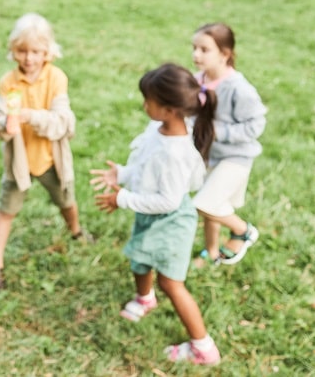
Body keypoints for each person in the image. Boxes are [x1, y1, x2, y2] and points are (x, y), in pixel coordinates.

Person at [90, 62, 221, 365]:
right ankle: (144, 298)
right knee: (140, 260)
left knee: (171, 283)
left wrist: (123, 198)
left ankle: (203, 348)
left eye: (147, 99)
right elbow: (146, 166)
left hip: (171, 221)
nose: (143, 104)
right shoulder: (159, 129)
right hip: (151, 213)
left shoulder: (175, 154)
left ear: (169, 110)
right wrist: (122, 174)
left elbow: (168, 200)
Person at [0, 13, 87, 293]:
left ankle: (76, 232)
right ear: (12, 50)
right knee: (6, 210)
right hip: (20, 163)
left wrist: (30, 116)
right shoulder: (9, 82)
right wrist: (3, 125)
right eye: (22, 51)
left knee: (66, 200)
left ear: (47, 51)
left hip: (51, 160)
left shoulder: (56, 78)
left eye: (36, 52)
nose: (29, 58)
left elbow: (64, 122)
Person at [190, 23, 267, 267]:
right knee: (214, 205)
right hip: (208, 155)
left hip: (235, 158)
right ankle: (211, 253)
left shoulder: (239, 89)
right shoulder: (196, 80)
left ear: (225, 54)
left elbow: (255, 126)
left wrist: (216, 132)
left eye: (204, 49)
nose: (196, 55)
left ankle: (244, 231)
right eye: (194, 48)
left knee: (204, 204)